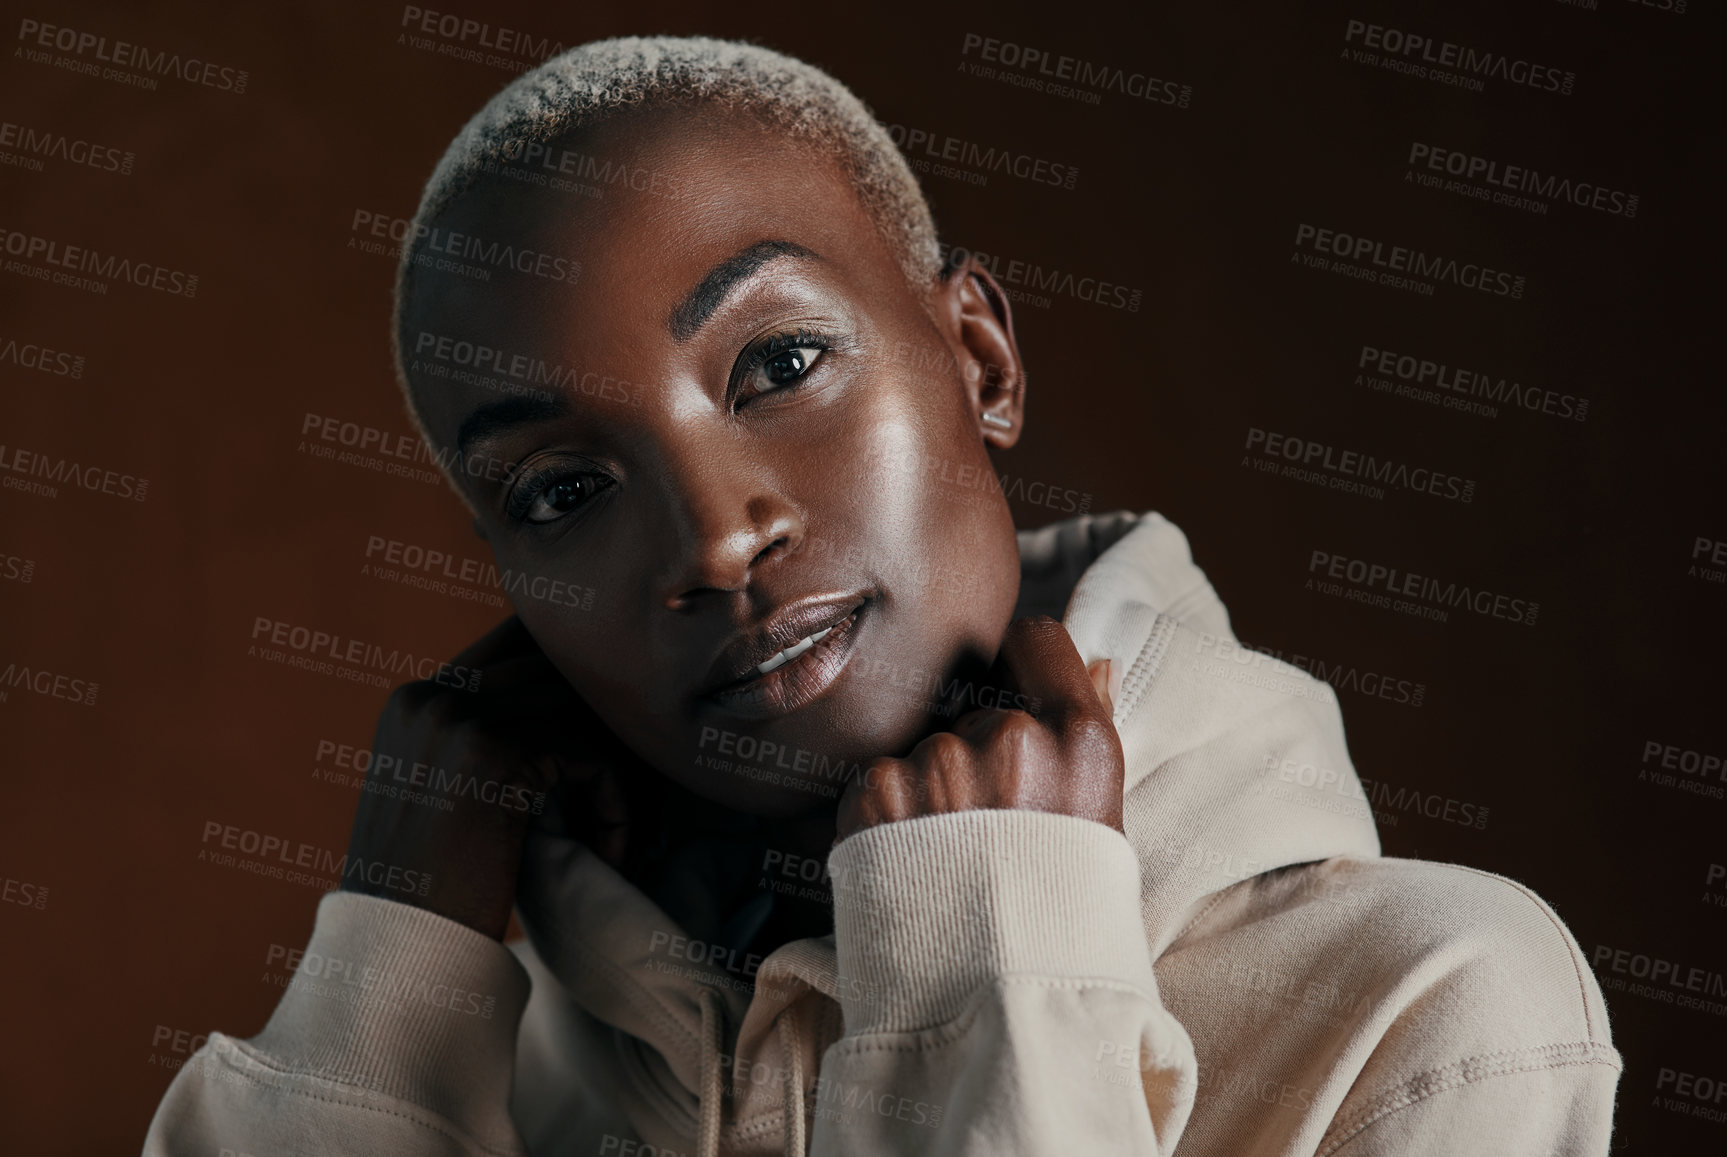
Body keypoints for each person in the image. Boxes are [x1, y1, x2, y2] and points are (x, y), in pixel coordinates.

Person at [144, 36, 1621, 1156]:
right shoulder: (486, 1078)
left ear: (980, 355)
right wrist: (391, 976)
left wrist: (990, 962)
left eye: (777, 366)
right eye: (563, 490)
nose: (717, 537)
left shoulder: (1430, 1004)